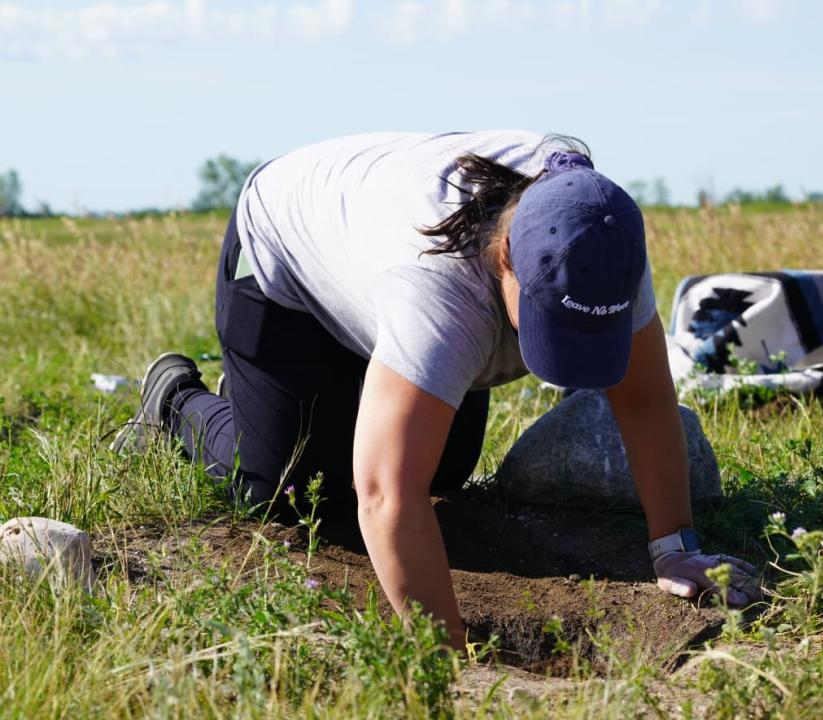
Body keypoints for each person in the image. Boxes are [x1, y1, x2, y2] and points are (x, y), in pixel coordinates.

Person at [113, 130, 758, 652]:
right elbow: (384, 494)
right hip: (284, 256)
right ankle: (180, 403)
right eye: (546, 325)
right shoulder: (438, 291)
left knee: (445, 466)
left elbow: (644, 399)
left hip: (378, 272)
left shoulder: (601, 240)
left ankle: (312, 399)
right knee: (285, 486)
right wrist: (444, 654)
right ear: (505, 256)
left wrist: (675, 550)